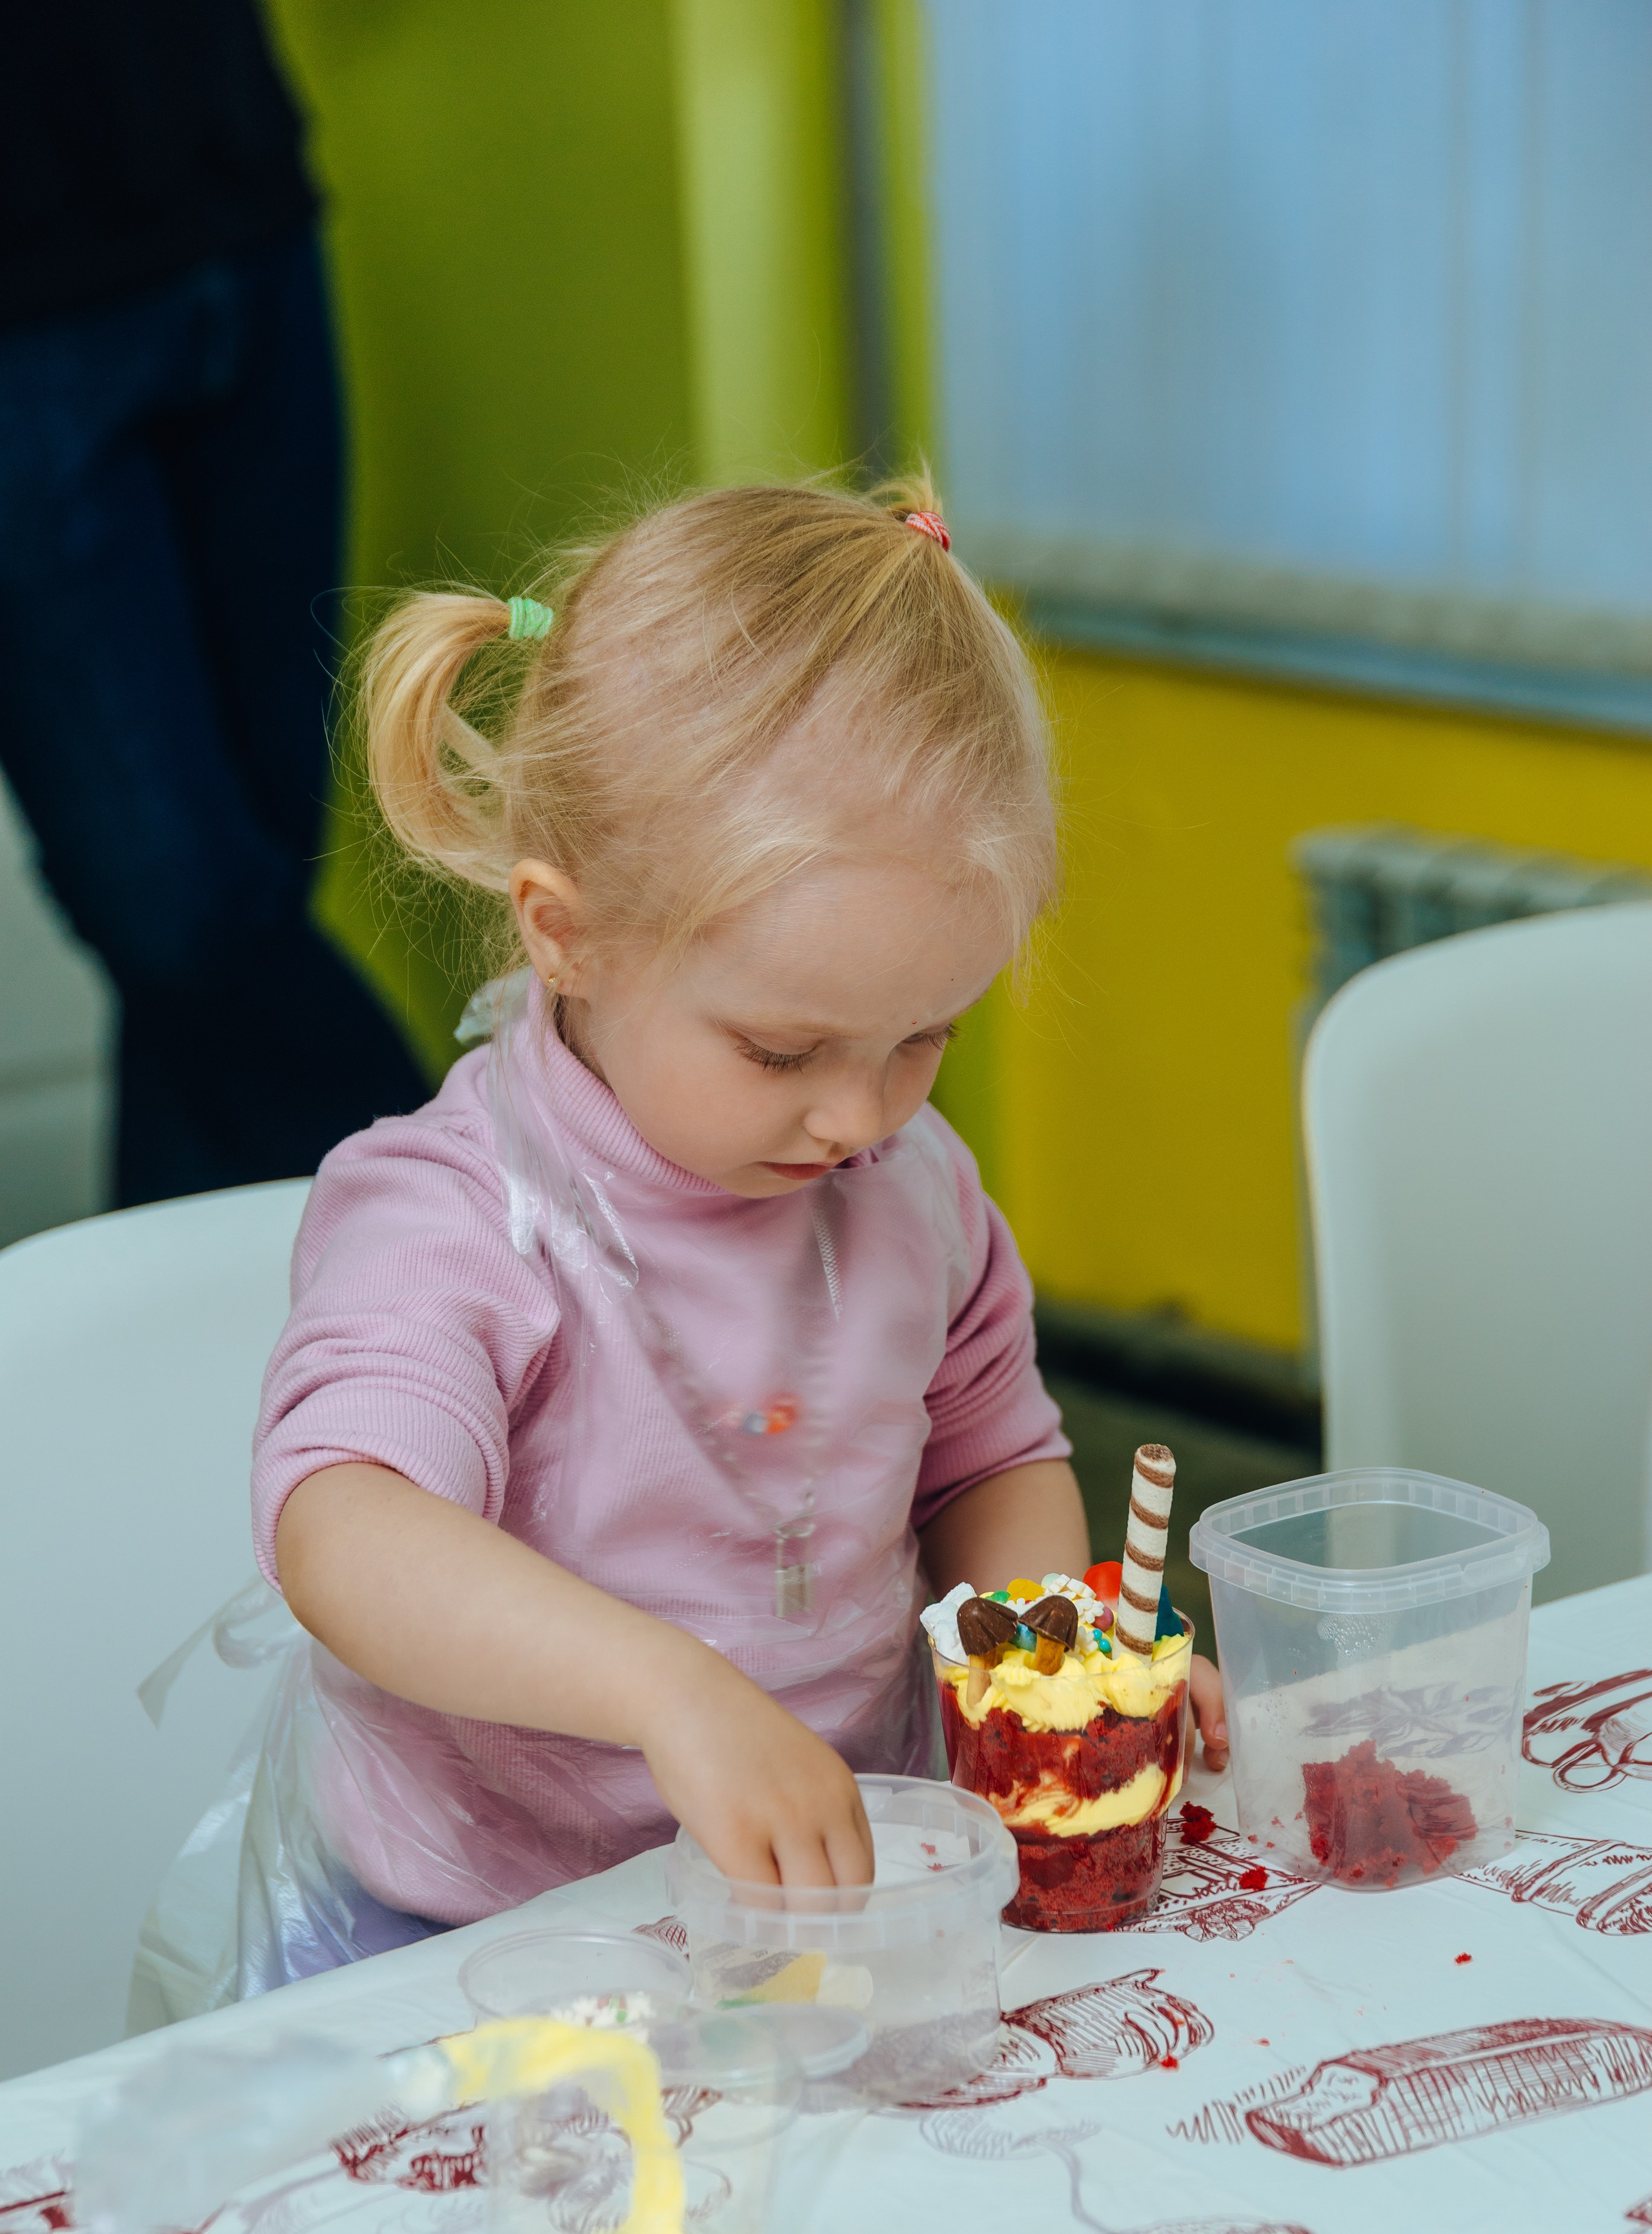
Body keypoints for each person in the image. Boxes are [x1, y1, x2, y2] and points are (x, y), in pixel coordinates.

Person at [249, 478, 1228, 1977]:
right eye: (783, 1053)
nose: (860, 1117)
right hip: (484, 1935)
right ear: (563, 930)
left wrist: (1054, 1680)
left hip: (832, 1895)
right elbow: (345, 1528)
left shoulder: (914, 1185)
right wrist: (671, 1692)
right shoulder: (456, 1214)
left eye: (924, 1038)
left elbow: (992, 1457)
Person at [0, 2, 428, 1206]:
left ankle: (190, 1323)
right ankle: (503, 1210)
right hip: (22, 333)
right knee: (175, 905)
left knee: (256, 855)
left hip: (241, 207)